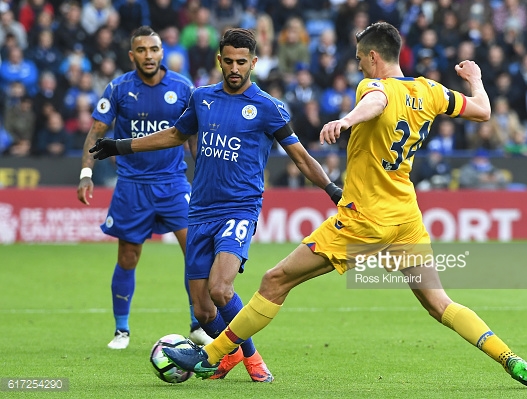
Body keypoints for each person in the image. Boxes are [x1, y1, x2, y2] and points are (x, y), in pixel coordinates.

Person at [160, 22, 527, 389]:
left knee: (275, 281)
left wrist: (347, 120)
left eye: (359, 59)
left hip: (364, 219)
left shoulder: (372, 86)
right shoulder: (431, 91)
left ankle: (209, 356)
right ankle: (509, 358)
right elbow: (483, 110)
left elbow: (378, 101)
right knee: (439, 303)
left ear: (372, 57)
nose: (359, 66)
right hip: (406, 217)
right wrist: (476, 79)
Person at [89, 28, 341, 382]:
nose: (234, 68)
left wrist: (332, 190)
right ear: (219, 60)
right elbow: (176, 135)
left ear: (253, 62)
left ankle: (253, 360)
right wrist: (121, 146)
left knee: (221, 289)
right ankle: (231, 354)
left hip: (240, 209)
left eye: (242, 62)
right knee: (205, 311)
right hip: (201, 209)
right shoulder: (202, 98)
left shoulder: (269, 107)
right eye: (229, 61)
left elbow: (300, 157)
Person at [76, 26, 211, 350]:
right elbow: (96, 132)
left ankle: (197, 324)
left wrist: (206, 174)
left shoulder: (182, 87)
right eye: (142, 50)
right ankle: (121, 330)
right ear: (132, 55)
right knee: (128, 256)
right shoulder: (119, 88)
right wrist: (85, 173)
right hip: (132, 185)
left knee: (194, 251)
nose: (148, 56)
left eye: (154, 49)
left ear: (162, 52)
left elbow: (194, 135)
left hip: (173, 182)